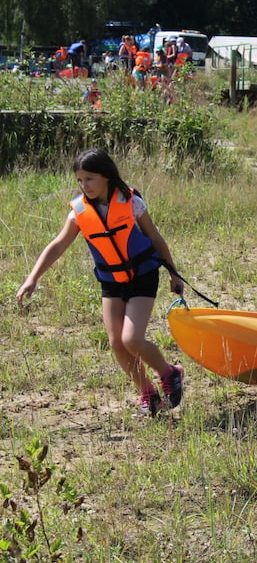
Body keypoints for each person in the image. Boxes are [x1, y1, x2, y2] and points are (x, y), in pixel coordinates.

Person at [16, 149, 185, 417]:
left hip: (142, 274)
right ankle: (148, 395)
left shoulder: (131, 202)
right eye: (80, 180)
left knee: (131, 339)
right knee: (117, 342)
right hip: (110, 279)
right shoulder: (79, 211)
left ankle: (170, 372)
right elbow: (58, 244)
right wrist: (32, 278)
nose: (85, 186)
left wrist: (174, 274)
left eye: (90, 179)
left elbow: (155, 238)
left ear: (106, 177)